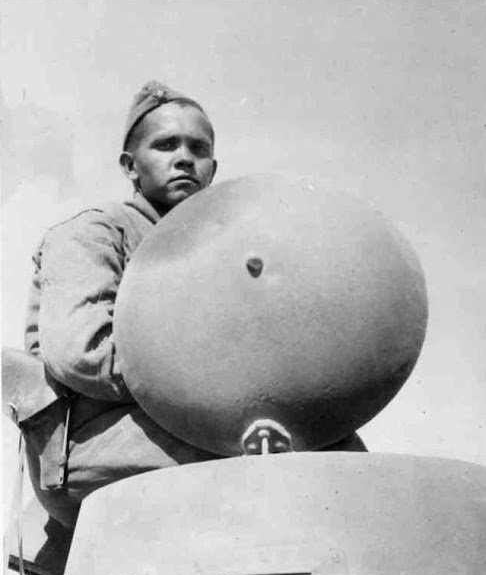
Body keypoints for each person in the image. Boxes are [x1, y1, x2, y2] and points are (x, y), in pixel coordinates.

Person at [21, 81, 365, 529]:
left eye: (198, 148)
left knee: (344, 453)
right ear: (130, 165)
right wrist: (218, 385)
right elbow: (82, 352)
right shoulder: (95, 232)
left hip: (183, 422)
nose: (184, 157)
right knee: (299, 460)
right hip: (89, 442)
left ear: (213, 168)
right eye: (165, 145)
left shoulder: (209, 252)